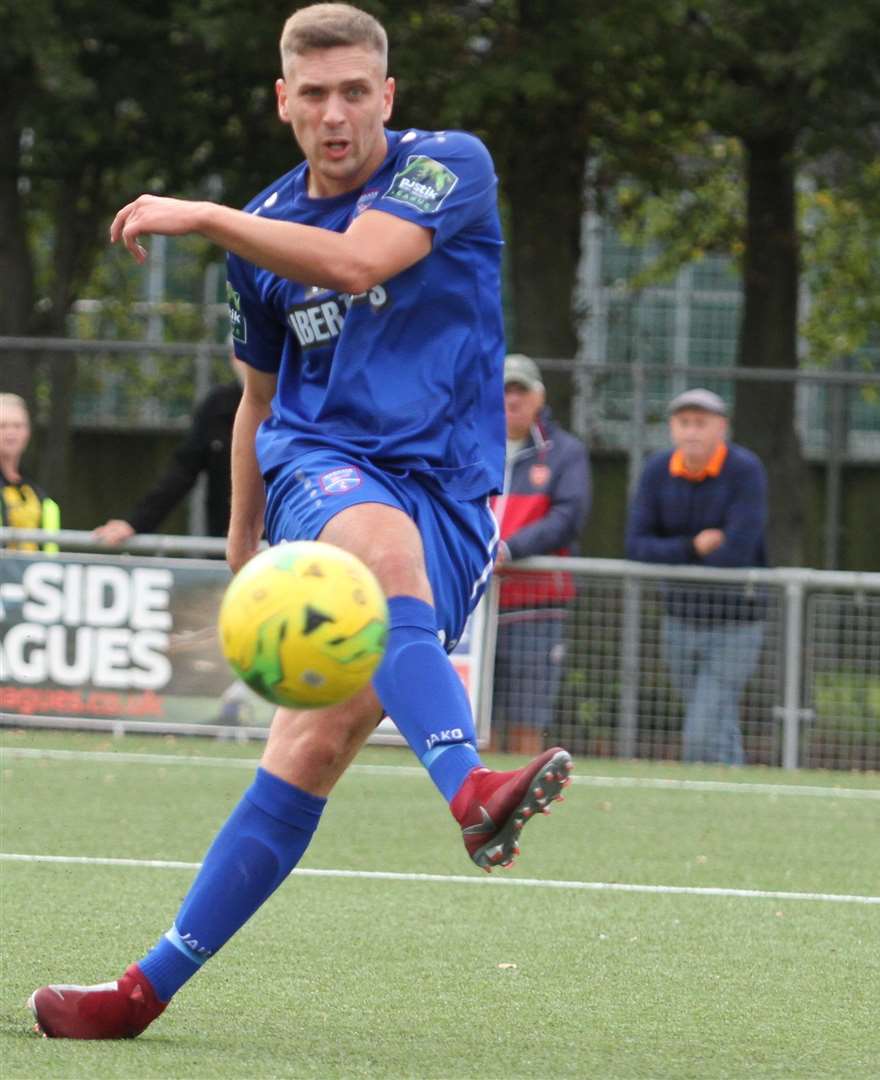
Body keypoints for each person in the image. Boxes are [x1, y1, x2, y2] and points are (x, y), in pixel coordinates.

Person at [28, 3, 573, 1041]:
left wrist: (202, 214)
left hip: (452, 494)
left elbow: (360, 263)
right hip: (325, 467)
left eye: (354, 92)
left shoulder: (446, 167)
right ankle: (471, 790)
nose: (335, 115)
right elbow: (258, 406)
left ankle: (139, 992)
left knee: (312, 749)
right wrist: (242, 548)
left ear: (387, 95)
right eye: (313, 95)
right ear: (283, 101)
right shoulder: (263, 234)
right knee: (373, 545)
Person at [625, 388, 767, 765]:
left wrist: (673, 556)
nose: (691, 432)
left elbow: (737, 550)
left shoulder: (745, 470)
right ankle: (732, 787)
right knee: (716, 719)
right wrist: (692, 548)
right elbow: (637, 545)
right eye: (684, 423)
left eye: (700, 423)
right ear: (672, 428)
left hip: (737, 622)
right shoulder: (657, 471)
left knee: (703, 726)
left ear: (721, 427)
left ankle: (706, 783)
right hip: (679, 618)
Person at [490, 353, 592, 754]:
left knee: (526, 716)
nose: (511, 399)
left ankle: (520, 793)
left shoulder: (564, 453)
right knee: (475, 714)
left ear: (539, 397)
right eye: (503, 390)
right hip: (476, 609)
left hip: (536, 606)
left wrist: (509, 549)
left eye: (520, 390)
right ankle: (479, 793)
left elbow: (568, 517)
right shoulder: (470, 445)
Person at [92, 358, 245, 544]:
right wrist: (136, 523)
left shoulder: (286, 403)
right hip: (228, 542)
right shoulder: (218, 405)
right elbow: (182, 471)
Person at [0, 393, 60, 552]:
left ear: (28, 432)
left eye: (18, 426)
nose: (10, 433)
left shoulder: (34, 491)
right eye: (3, 425)